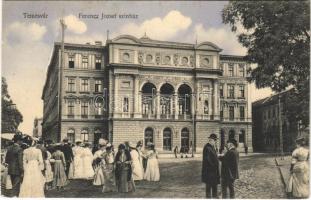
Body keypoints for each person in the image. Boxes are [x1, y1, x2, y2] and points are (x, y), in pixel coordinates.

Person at [202, 133, 220, 198]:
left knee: (214, 187)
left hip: (213, 172)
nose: (215, 142)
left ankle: (215, 197)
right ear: (211, 140)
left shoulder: (212, 147)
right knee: (209, 189)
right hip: (209, 172)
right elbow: (207, 160)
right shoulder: (207, 147)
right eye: (215, 141)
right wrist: (214, 166)